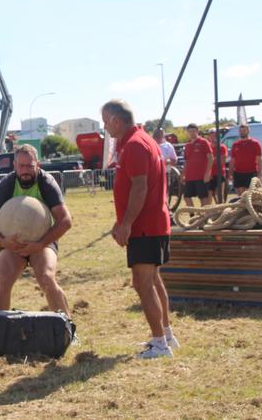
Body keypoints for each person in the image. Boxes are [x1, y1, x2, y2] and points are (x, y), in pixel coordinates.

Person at [102, 99, 178, 359]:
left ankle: (159, 343)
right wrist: (120, 221)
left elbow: (140, 187)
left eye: (105, 121)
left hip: (146, 226)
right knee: (154, 280)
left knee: (142, 283)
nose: (105, 127)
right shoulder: (143, 140)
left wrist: (126, 224)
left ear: (115, 120)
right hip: (153, 223)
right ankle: (166, 334)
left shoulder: (135, 145)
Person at [0, 144, 75, 329]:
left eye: (29, 166)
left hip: (42, 242)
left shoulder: (46, 183)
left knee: (46, 277)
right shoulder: (7, 184)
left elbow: (66, 220)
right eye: (21, 166)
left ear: (37, 164)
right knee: (4, 279)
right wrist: (3, 241)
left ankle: (67, 329)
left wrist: (40, 244)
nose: (25, 170)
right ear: (14, 165)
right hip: (12, 244)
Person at [182, 123, 213, 207]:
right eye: (190, 131)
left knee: (203, 198)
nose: (192, 133)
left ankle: (204, 217)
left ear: (197, 131)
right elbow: (186, 161)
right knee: (186, 197)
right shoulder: (187, 145)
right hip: (189, 177)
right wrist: (183, 174)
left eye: (193, 131)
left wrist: (207, 173)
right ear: (187, 132)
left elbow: (210, 158)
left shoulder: (204, 142)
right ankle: (193, 216)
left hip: (201, 176)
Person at [229, 123, 262, 196]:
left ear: (248, 131)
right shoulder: (235, 145)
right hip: (238, 173)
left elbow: (259, 160)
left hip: (251, 172)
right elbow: (232, 161)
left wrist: (259, 174)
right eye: (240, 131)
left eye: (244, 130)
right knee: (240, 195)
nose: (242, 132)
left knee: (250, 195)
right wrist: (230, 174)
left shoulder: (255, 143)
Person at [206, 129, 228, 204]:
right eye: (211, 136)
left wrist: (210, 160)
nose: (212, 137)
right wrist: (214, 159)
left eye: (214, 135)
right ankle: (209, 212)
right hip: (209, 174)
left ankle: (221, 210)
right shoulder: (207, 147)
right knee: (209, 194)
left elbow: (222, 161)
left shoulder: (222, 147)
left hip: (220, 173)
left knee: (219, 194)